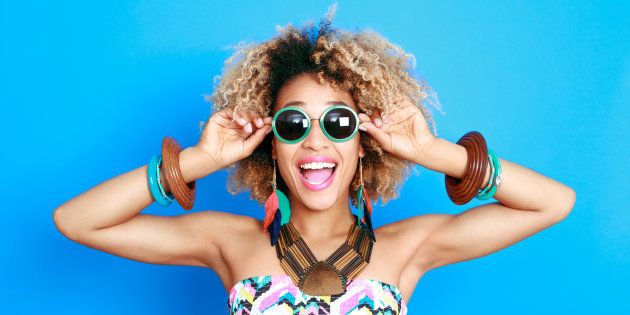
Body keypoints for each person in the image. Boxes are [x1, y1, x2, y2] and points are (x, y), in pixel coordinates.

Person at [52, 5, 576, 315]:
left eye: (339, 124)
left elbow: (553, 203)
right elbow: (74, 221)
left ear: (364, 141)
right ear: (270, 143)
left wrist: (432, 152)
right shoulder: (226, 242)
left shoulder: (409, 247)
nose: (316, 142)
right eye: (294, 124)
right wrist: (196, 160)